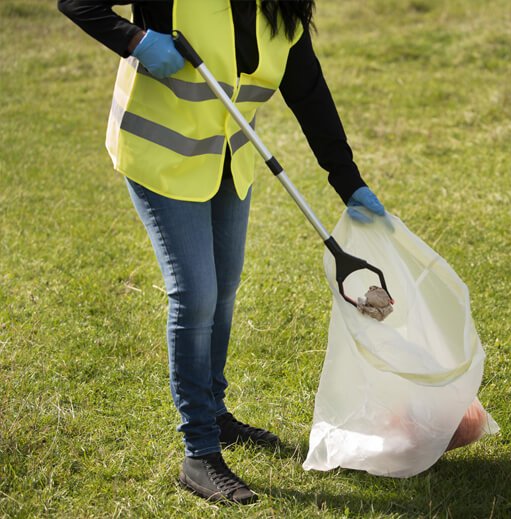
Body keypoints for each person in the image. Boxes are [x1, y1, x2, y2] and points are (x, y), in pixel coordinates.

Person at [58, 0, 386, 504]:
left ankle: (214, 412)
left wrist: (348, 180)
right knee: (196, 294)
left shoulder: (282, 11)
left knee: (224, 288)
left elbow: (309, 92)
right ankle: (200, 451)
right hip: (159, 156)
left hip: (227, 162)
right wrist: (136, 40)